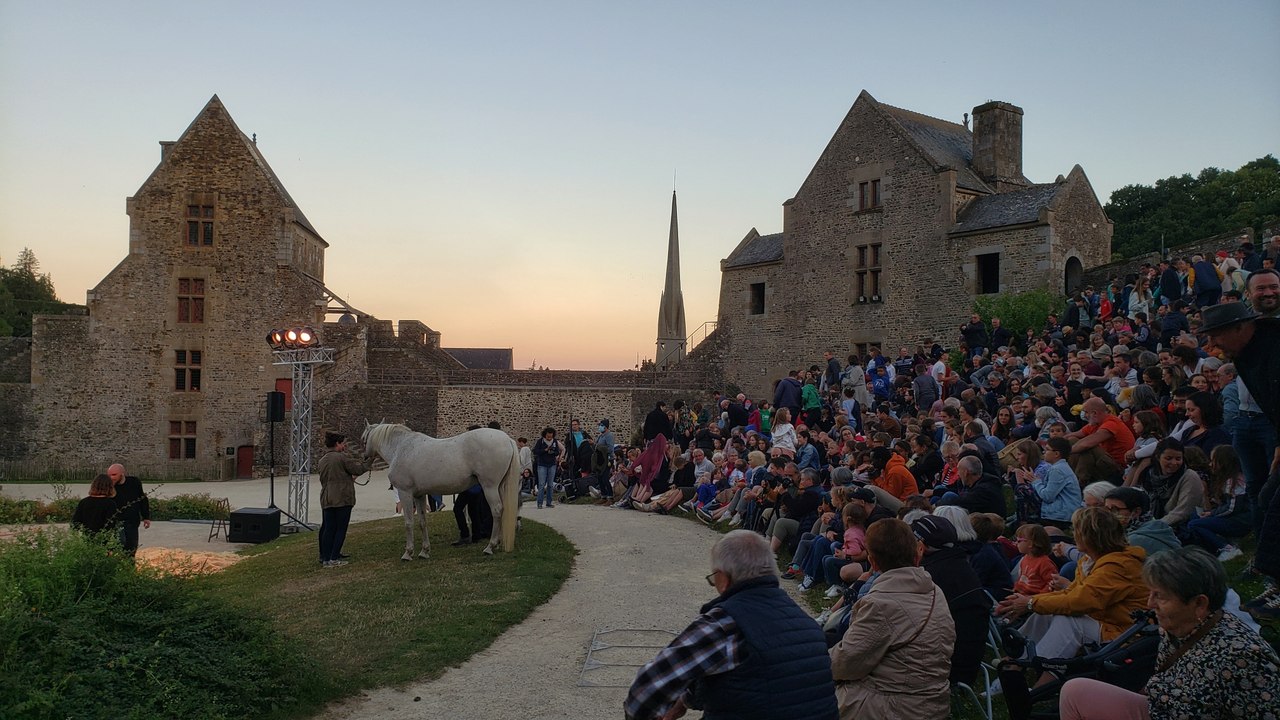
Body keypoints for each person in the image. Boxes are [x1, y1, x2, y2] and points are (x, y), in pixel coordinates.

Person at [624, 530, 838, 720]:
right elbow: (751, 678)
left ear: (723, 578)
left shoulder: (726, 624)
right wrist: (684, 702)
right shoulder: (805, 623)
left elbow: (645, 691)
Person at [1059, 547, 1280, 720]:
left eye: (1160, 597)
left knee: (1075, 690)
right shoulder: (1179, 626)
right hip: (1161, 708)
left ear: (1199, 603)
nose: (1149, 603)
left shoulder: (1244, 657)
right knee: (1075, 691)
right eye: (1151, 593)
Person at [829, 518, 955, 718]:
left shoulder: (881, 604)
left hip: (894, 706)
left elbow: (846, 663)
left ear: (872, 562)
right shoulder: (933, 591)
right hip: (934, 702)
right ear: (916, 554)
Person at [995, 506, 1148, 661]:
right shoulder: (1090, 560)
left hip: (1125, 632)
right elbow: (1071, 593)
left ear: (1090, 536)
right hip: (1105, 621)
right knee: (1049, 612)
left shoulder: (1118, 565)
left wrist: (1029, 603)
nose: (1074, 535)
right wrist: (1029, 602)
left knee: (1070, 621)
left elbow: (1079, 601)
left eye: (1076, 530)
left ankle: (1037, 665)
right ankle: (1017, 657)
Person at [317, 431, 368, 567]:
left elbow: (331, 477)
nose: (345, 446)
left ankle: (326, 558)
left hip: (327, 498)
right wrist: (369, 461)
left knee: (328, 529)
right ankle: (334, 558)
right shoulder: (341, 458)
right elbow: (358, 469)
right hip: (342, 498)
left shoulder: (322, 460)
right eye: (343, 443)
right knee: (341, 529)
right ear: (337, 444)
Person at [107, 463, 150, 557]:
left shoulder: (134, 482)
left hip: (132, 521)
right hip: (117, 521)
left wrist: (146, 517)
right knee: (118, 545)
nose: (111, 477)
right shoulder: (109, 486)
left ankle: (129, 568)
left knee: (131, 548)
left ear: (122, 474)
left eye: (114, 475)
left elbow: (142, 499)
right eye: (109, 475)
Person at [71, 473, 120, 543]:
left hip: (87, 539)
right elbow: (111, 525)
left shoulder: (83, 502)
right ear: (110, 487)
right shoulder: (110, 504)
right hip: (104, 541)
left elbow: (75, 523)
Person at [531, 426, 560, 509]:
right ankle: (539, 503)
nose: (549, 438)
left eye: (551, 436)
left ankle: (549, 502)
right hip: (542, 464)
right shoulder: (540, 441)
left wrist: (553, 451)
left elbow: (557, 452)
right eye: (548, 436)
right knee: (541, 484)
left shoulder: (554, 441)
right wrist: (545, 450)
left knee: (550, 484)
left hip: (552, 464)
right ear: (545, 435)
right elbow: (535, 451)